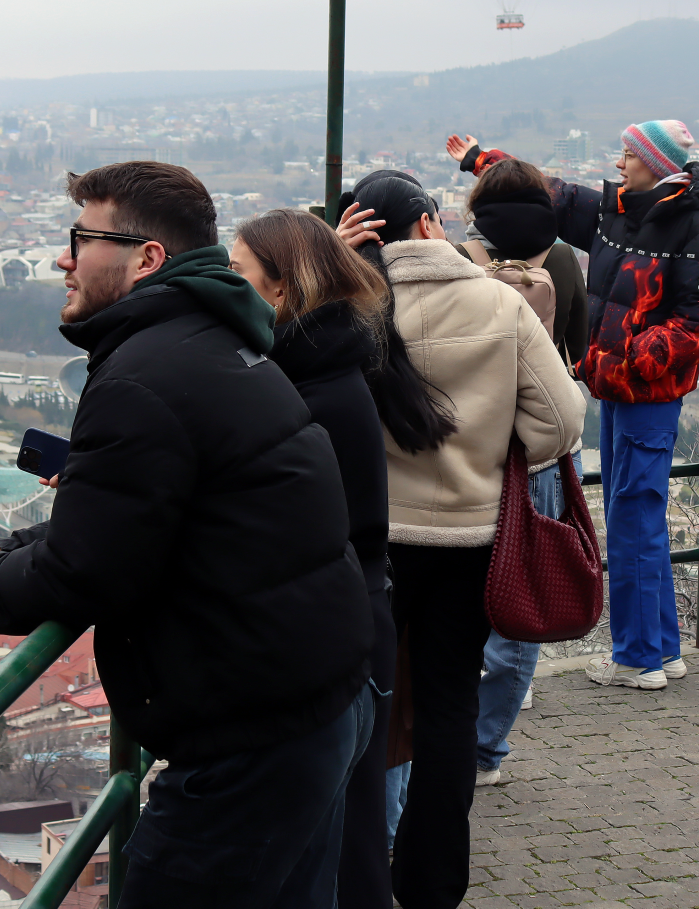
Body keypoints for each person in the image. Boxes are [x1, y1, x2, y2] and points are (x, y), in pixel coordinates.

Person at [0, 162, 374, 908]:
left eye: (81, 239)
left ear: (146, 257)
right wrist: (5, 553)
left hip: (249, 741)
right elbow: (135, 520)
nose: (61, 258)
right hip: (309, 703)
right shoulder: (209, 342)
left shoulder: (143, 374)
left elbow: (87, 573)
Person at [338, 168, 583, 909]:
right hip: (473, 539)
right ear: (431, 223)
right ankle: (433, 884)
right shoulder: (497, 301)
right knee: (449, 708)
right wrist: (494, 448)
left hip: (373, 542)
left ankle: (360, 877)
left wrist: (330, 260)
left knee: (366, 707)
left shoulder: (346, 309)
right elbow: (562, 423)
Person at [444, 123, 699, 690]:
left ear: (655, 161)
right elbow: (545, 192)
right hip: (617, 391)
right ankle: (661, 649)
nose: (619, 162)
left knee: (634, 520)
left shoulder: (697, 233)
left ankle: (638, 658)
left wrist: (628, 358)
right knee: (636, 518)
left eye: (628, 154)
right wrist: (481, 160)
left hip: (647, 394)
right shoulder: (615, 212)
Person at [228, 208, 395, 909]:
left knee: (331, 853)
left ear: (283, 293)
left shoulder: (303, 394)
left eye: (236, 274)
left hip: (330, 643)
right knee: (345, 842)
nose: (222, 287)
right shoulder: (327, 367)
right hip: (355, 625)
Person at [448, 155, 589, 785]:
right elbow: (577, 350)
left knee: (459, 592)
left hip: (470, 439)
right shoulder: (561, 259)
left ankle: (448, 733)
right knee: (523, 588)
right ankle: (487, 749)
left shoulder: (457, 259)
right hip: (540, 440)